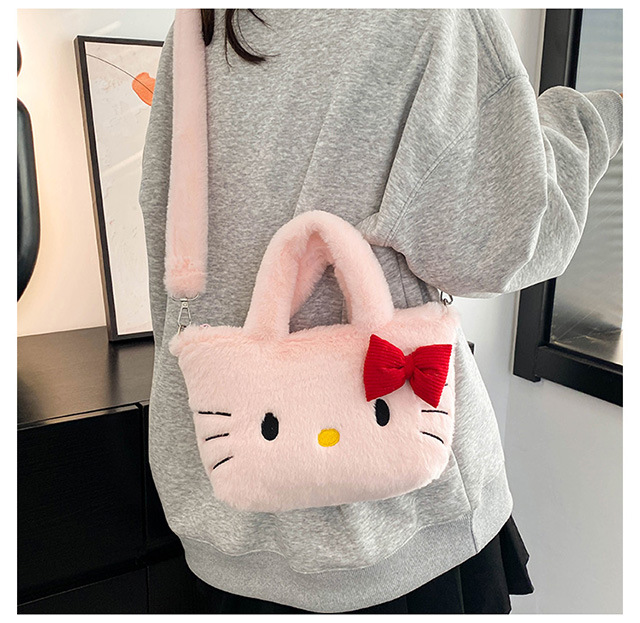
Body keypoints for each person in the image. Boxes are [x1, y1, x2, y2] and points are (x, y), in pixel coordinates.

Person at [138, 8, 622, 614]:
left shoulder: (201, 24)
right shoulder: (428, 15)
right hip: (399, 521)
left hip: (226, 516)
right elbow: (498, 242)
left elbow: (166, 237)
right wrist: (593, 118)